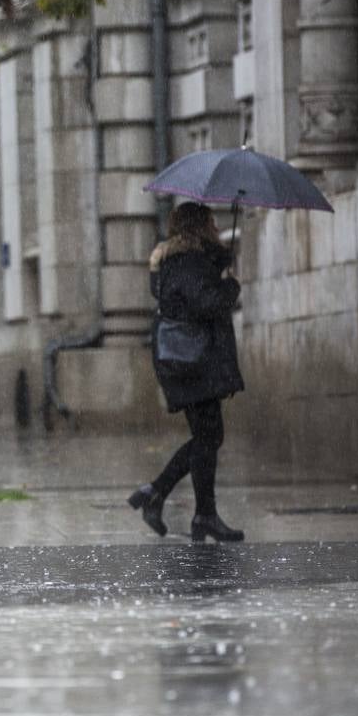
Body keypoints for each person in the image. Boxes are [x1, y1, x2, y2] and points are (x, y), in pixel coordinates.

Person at [128, 201, 246, 542]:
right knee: (209, 437)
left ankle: (192, 510)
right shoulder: (188, 262)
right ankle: (178, 502)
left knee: (207, 437)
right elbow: (204, 303)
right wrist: (231, 286)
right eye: (210, 220)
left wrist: (220, 264)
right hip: (194, 363)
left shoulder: (178, 262)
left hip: (188, 362)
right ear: (199, 226)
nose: (215, 225)